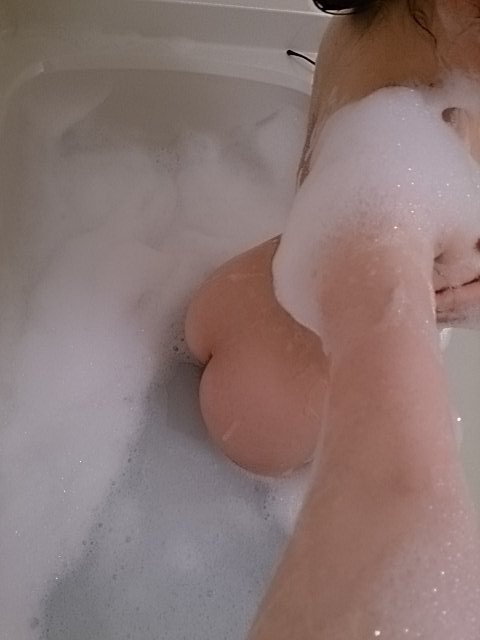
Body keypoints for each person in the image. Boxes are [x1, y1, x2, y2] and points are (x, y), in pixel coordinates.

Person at [186, 0, 480, 636]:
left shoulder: (393, 32)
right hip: (270, 388)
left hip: (263, 290)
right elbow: (396, 488)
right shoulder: (415, 145)